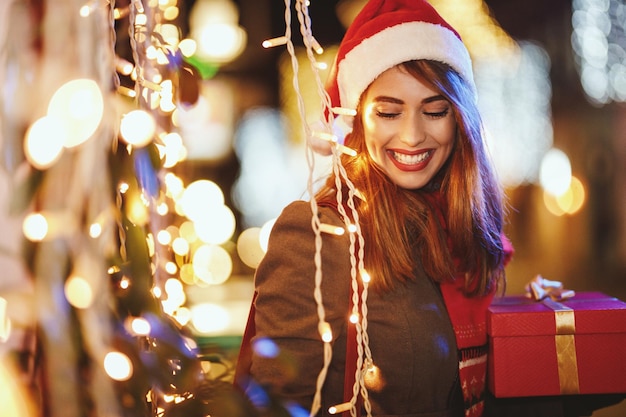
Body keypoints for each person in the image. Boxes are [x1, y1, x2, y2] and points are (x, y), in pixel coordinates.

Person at [234, 1, 622, 417]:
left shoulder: (460, 230)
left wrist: (540, 340)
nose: (413, 135)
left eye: (435, 111)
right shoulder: (320, 234)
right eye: (388, 112)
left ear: (459, 120)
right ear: (357, 120)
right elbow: (274, 405)